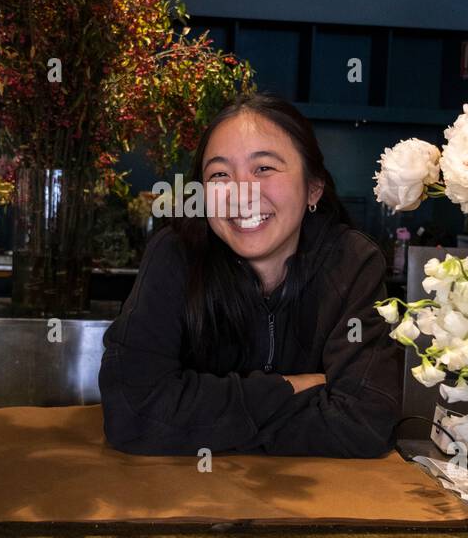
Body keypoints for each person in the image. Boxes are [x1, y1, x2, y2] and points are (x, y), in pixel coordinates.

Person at [99, 93, 403, 457]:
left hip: (317, 507)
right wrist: (288, 387)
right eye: (220, 174)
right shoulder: (176, 253)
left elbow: (365, 423)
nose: (240, 194)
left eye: (263, 169)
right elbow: (132, 413)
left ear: (313, 188)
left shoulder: (352, 263)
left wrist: (196, 417)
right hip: (188, 501)